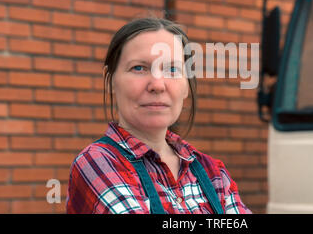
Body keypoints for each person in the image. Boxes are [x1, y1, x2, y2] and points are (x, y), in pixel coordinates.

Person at [66, 17, 252, 214]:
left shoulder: (213, 173)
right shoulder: (97, 163)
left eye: (172, 69)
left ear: (187, 85)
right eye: (139, 68)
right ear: (111, 81)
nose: (157, 85)